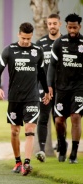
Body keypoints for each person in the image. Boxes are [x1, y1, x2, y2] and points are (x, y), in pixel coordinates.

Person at [0, 22, 50, 176]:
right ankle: (18, 161)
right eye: (24, 38)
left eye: (29, 38)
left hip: (32, 97)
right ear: (19, 34)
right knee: (14, 131)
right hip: (14, 98)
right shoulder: (9, 50)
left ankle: (27, 163)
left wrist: (46, 91)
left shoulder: (37, 50)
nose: (26, 41)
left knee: (29, 129)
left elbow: (41, 74)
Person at [47, 13, 83, 164]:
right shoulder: (59, 43)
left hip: (79, 88)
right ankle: (62, 145)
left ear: (79, 27)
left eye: (75, 27)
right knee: (59, 121)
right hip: (61, 88)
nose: (72, 30)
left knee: (76, 117)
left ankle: (74, 153)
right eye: (70, 27)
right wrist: (49, 85)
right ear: (66, 26)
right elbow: (52, 66)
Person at [35, 14, 62, 162]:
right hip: (44, 88)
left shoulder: (65, 42)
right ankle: (42, 150)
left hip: (61, 87)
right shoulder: (40, 43)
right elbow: (37, 67)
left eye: (54, 23)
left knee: (59, 118)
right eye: (49, 23)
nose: (52, 26)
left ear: (60, 24)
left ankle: (61, 146)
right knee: (43, 118)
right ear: (47, 24)